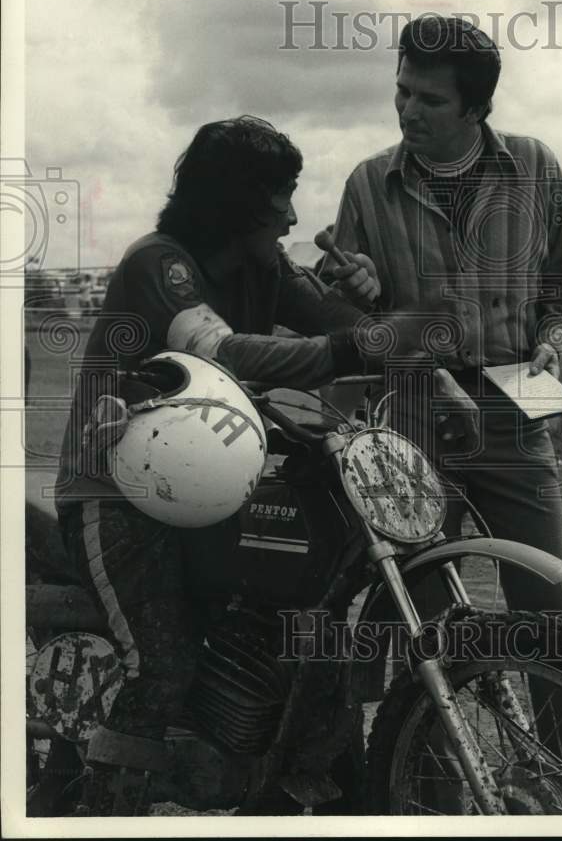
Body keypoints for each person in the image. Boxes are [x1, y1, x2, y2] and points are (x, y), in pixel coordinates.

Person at [53, 116, 396, 816]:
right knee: (162, 664)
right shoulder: (159, 263)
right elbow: (224, 351)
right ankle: (101, 817)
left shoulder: (265, 265)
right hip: (114, 491)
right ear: (237, 200)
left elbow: (342, 324)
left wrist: (373, 304)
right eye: (280, 193)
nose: (292, 213)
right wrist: (347, 348)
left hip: (212, 484)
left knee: (296, 632)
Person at [322, 15, 562, 627]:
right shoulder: (367, 184)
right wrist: (355, 291)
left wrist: (555, 338)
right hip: (411, 418)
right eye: (402, 90)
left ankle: (558, 723)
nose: (408, 110)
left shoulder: (534, 165)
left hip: (514, 414)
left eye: (431, 99)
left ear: (478, 108)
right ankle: (418, 726)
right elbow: (334, 315)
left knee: (551, 611)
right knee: (422, 613)